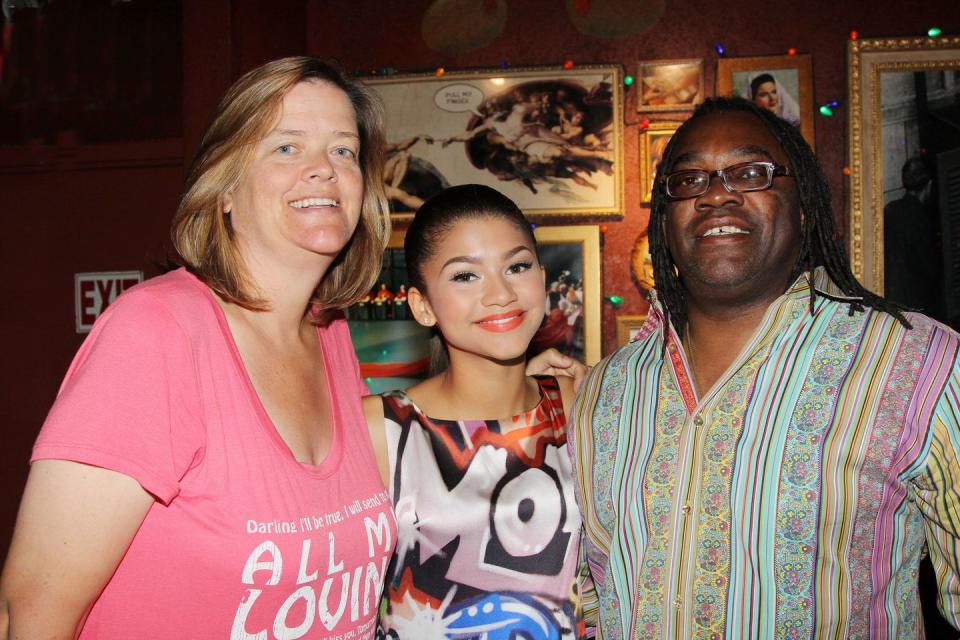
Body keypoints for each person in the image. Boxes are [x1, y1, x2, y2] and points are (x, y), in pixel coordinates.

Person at [0, 57, 582, 639]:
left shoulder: (329, 338)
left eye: (343, 151)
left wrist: (515, 378)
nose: (323, 171)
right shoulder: (158, 331)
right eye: (286, 147)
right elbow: (31, 613)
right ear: (224, 187)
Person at [570, 96, 960, 638]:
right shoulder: (605, 389)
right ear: (666, 219)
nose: (715, 194)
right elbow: (590, 600)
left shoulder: (920, 363)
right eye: (689, 181)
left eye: (750, 172)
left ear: (804, 205)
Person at [363, 185, 595, 638]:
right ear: (423, 305)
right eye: (466, 276)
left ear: (543, 278)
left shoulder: (576, 404)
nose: (501, 293)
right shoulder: (382, 428)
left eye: (517, 266)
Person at [884, 156, 942, 317]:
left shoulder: (890, 210)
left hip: (891, 298)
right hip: (916, 303)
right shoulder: (921, 218)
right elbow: (929, 267)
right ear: (929, 185)